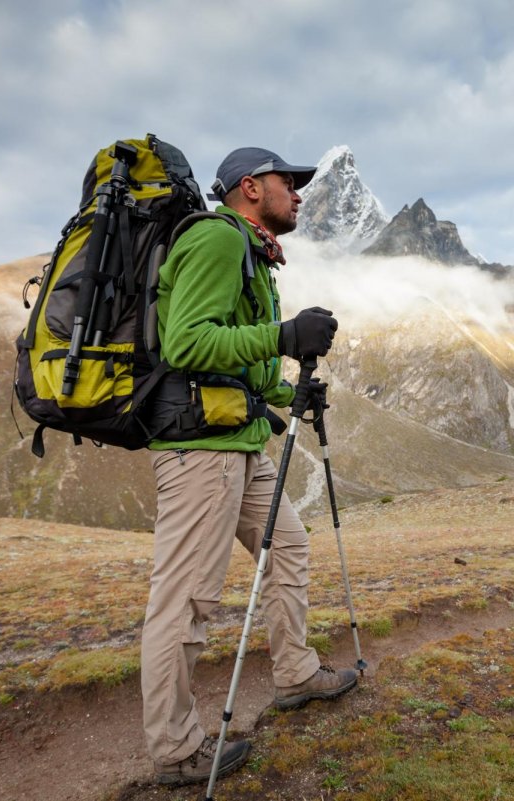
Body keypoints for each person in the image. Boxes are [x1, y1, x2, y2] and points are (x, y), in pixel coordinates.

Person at [140, 147, 357, 786]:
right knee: (186, 600)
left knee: (288, 545)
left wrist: (291, 392)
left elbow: (238, 363)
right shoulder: (215, 239)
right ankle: (176, 750)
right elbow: (185, 342)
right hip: (201, 449)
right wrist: (285, 337)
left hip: (239, 442)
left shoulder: (255, 255)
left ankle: (294, 674)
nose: (299, 193)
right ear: (249, 187)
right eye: (288, 182)